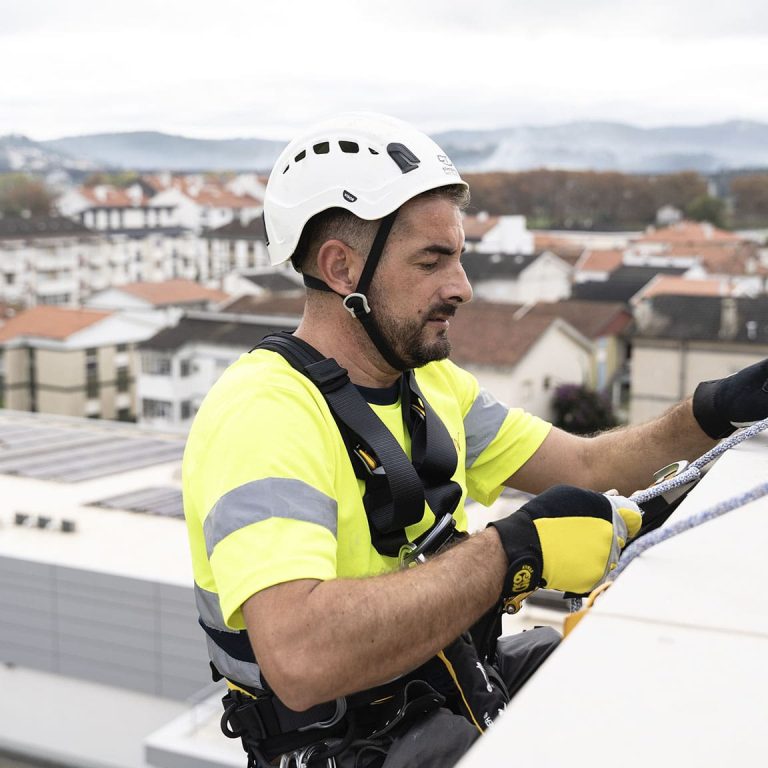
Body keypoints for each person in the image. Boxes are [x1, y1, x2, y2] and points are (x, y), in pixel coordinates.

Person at [182, 112, 768, 768]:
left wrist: (715, 411)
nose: (461, 287)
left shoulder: (431, 387)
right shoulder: (264, 416)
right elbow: (300, 656)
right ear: (342, 268)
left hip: (447, 691)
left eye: (459, 257)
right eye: (433, 261)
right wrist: (509, 553)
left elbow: (585, 463)